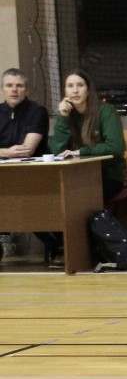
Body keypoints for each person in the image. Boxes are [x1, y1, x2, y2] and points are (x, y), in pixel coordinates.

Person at [0, 68, 59, 262]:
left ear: (26, 90)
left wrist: (4, 152)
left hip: (34, 174)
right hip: (4, 175)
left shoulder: (37, 112)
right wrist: (6, 152)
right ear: (2, 90)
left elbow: (26, 150)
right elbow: (12, 152)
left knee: (26, 203)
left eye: (19, 86)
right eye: (9, 85)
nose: (14, 90)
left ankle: (58, 244)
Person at [50, 68, 127, 202]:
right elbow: (57, 151)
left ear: (88, 90)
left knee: (75, 198)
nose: (75, 90)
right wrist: (63, 117)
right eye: (70, 86)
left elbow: (116, 147)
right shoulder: (67, 114)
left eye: (80, 85)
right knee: (50, 193)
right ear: (65, 91)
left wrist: (81, 152)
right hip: (76, 175)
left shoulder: (106, 111)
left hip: (107, 176)